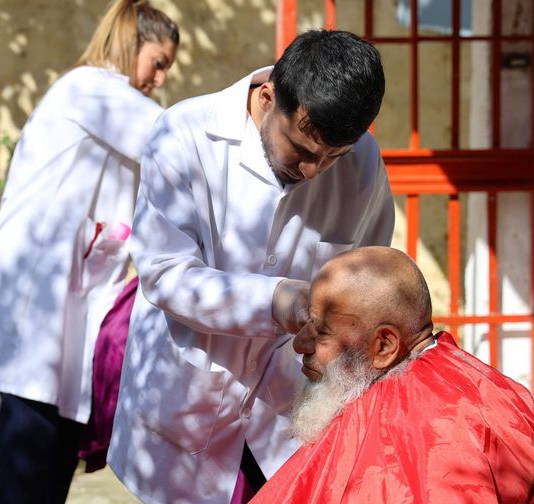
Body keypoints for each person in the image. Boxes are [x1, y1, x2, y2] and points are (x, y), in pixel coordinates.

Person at [108, 30, 395, 504]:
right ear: (268, 96)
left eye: (332, 157)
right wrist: (276, 300)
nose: (312, 171)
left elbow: (365, 274)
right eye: (301, 150)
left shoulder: (363, 165)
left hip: (289, 422)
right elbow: (165, 273)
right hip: (187, 407)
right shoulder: (184, 133)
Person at [0, 1, 178, 501]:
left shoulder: (108, 97)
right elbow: (177, 141)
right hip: (41, 295)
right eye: (158, 62)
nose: (159, 78)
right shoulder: (92, 89)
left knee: (51, 453)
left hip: (69, 295)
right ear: (133, 43)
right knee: (31, 454)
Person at [250, 246, 534, 503]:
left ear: (384, 346)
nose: (300, 344)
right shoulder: (463, 375)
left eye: (322, 332)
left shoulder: (424, 437)